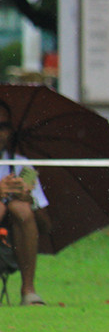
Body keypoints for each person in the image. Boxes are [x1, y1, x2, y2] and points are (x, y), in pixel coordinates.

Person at [0, 99, 50, 306]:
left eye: (3, 127)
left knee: (20, 208)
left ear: (10, 131)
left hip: (11, 245)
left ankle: (28, 289)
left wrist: (30, 201)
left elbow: (47, 226)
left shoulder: (21, 165)